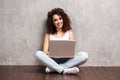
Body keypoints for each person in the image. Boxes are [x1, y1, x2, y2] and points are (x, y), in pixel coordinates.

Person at [35, 8, 88, 74]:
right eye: (55, 20)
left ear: (63, 19)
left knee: (84, 55)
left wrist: (66, 53)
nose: (59, 21)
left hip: (66, 60)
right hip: (52, 60)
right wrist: (52, 53)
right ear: (53, 22)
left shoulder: (69, 33)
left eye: (60, 18)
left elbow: (71, 50)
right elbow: (45, 51)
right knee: (38, 54)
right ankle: (63, 70)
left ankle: (54, 68)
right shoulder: (48, 34)